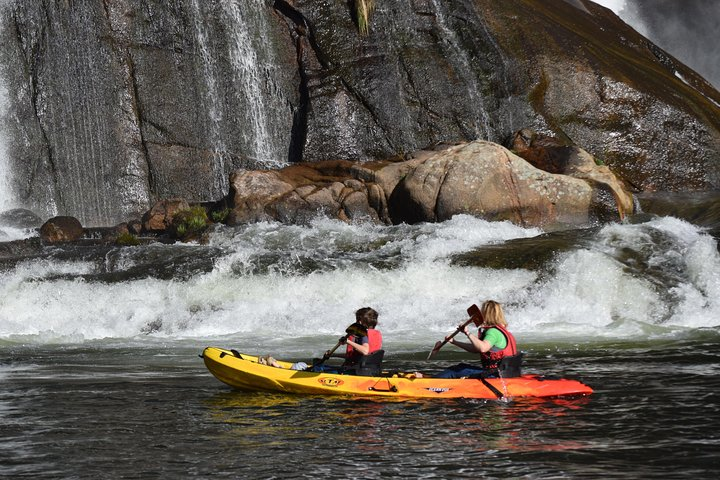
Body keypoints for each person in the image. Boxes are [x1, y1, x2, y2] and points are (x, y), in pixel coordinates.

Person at [433, 300, 518, 379]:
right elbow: (476, 349)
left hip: (494, 375)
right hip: (507, 374)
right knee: (462, 367)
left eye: (482, 312)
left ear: (486, 314)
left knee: (456, 370)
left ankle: (431, 382)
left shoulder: (493, 332)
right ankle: (434, 379)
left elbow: (482, 348)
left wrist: (468, 333)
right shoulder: (503, 331)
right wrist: (454, 342)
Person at [314, 307, 382, 372]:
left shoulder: (363, 334)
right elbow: (354, 357)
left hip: (355, 371)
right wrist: (333, 355)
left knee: (317, 366)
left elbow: (365, 351)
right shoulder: (377, 334)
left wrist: (348, 341)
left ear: (360, 322)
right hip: (372, 371)